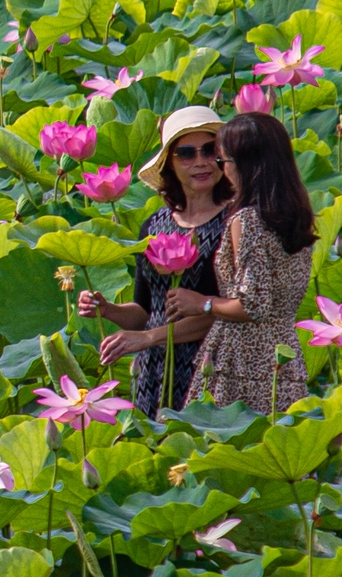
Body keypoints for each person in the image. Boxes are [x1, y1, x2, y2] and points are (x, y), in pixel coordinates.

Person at [74, 104, 228, 415]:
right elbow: (147, 310)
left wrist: (147, 338)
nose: (201, 162)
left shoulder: (236, 222)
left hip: (211, 367)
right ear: (170, 163)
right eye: (187, 153)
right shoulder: (155, 226)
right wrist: (108, 309)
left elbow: (227, 312)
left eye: (209, 150)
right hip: (154, 372)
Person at [174, 110, 319, 414]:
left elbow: (253, 305)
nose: (221, 169)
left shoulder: (248, 220)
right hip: (282, 354)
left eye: (222, 161)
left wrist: (202, 303)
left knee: (228, 447)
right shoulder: (294, 216)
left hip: (242, 358)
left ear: (243, 166)